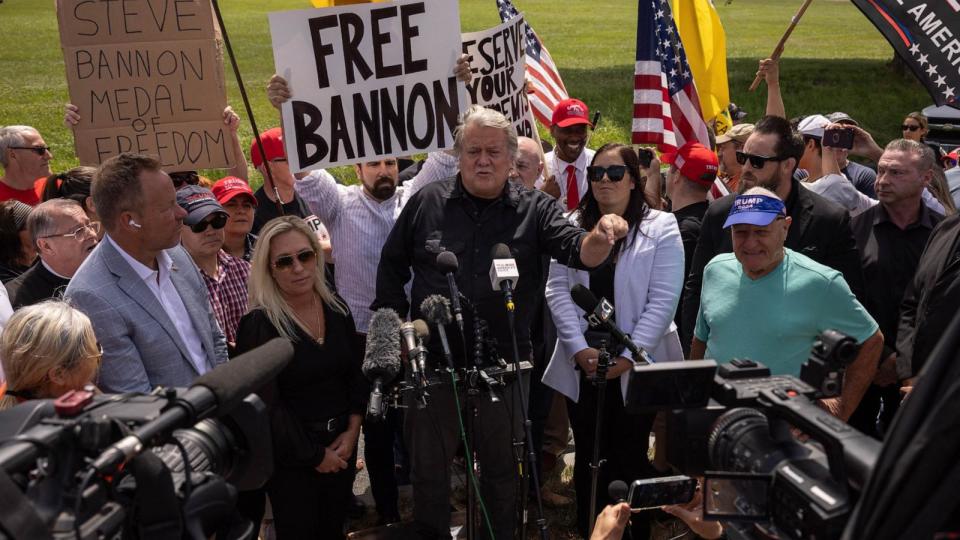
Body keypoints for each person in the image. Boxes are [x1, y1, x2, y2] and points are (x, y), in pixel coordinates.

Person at [373, 105, 630, 539]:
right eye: (473, 151)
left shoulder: (537, 209)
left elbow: (578, 251)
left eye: (494, 151)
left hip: (505, 369)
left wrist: (601, 237)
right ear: (459, 155)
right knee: (429, 476)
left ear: (512, 159)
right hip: (434, 368)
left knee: (502, 477)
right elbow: (391, 268)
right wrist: (398, 331)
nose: (483, 160)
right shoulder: (428, 201)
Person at [267, 54, 471, 523]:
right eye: (371, 163)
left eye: (388, 162)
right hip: (360, 337)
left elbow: (448, 154)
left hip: (414, 335)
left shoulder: (415, 196)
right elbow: (307, 169)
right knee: (375, 428)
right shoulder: (338, 205)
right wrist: (288, 109)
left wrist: (457, 88)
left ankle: (427, 507)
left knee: (421, 426)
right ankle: (386, 513)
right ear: (356, 168)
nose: (382, 170)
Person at [543, 142, 685, 538]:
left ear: (634, 180)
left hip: (636, 362)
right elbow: (557, 291)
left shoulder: (661, 226)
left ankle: (634, 530)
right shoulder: (571, 224)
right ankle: (593, 528)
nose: (604, 180)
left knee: (630, 449)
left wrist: (627, 357)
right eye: (597, 173)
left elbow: (663, 300)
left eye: (615, 173)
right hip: (584, 360)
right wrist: (578, 349)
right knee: (590, 450)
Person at [691, 188, 882, 420]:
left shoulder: (820, 282)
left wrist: (838, 408)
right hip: (719, 422)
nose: (750, 243)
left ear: (785, 228)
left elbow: (871, 341)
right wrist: (695, 399)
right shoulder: (716, 269)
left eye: (761, 232)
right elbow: (702, 339)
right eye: (740, 232)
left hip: (784, 426)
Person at [680, 115, 864, 349]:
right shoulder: (719, 212)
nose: (745, 168)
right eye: (742, 158)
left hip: (796, 363)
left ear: (788, 165)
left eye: (757, 162)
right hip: (728, 356)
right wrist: (695, 361)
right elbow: (696, 290)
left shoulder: (828, 219)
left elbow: (850, 301)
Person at [235, 216, 366, 539]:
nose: (298, 268)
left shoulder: (337, 310)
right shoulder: (258, 326)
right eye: (284, 261)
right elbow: (267, 404)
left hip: (342, 449)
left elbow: (355, 376)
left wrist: (352, 431)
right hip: (291, 464)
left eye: (305, 256)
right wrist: (316, 456)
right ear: (269, 269)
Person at [65, 153, 228, 393]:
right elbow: (137, 398)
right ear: (130, 221)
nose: (182, 214)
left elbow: (215, 340)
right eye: (168, 207)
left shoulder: (178, 255)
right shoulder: (91, 297)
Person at [848, 139, 942, 438]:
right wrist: (882, 356)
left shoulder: (944, 236)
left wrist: (904, 363)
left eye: (896, 173)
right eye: (880, 171)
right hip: (862, 365)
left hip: (921, 375)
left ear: (926, 178)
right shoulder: (853, 231)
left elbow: (944, 306)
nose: (882, 181)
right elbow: (846, 301)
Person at [64, 105, 250, 183]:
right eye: (175, 182)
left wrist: (230, 134)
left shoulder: (200, 192)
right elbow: (96, 187)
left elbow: (238, 182)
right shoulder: (129, 204)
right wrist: (85, 129)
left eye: (185, 180)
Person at [176, 186, 250, 356]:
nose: (210, 231)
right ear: (178, 228)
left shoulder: (246, 271)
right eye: (199, 224)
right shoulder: (171, 284)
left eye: (218, 221)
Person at [0, 300, 101, 410]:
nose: (99, 355)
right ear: (59, 375)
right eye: (97, 348)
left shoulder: (12, 391)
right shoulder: (73, 423)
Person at [662, 142, 715, 337]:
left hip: (675, 335)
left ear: (676, 177)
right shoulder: (715, 219)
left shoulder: (679, 230)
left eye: (669, 169)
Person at [6, 199, 98, 309]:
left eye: (90, 225)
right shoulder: (20, 300)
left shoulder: (112, 268)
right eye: (78, 231)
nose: (92, 234)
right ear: (46, 246)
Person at [543, 98, 596, 209]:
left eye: (580, 130)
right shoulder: (540, 168)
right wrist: (541, 197)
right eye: (567, 130)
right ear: (552, 131)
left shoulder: (598, 164)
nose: (574, 137)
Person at [0, 125, 50, 205]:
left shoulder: (54, 187)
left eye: (47, 149)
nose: (49, 156)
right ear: (13, 154)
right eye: (39, 150)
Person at [212, 176, 259, 261]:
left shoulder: (266, 248)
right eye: (231, 205)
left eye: (246, 205)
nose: (241, 211)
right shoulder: (205, 252)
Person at [0, 200, 35, 283]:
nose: (42, 228)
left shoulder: (45, 257)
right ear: (14, 234)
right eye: (33, 225)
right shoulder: (5, 277)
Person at [714, 122, 754, 195]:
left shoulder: (747, 186)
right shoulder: (727, 179)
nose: (719, 153)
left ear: (742, 149)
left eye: (723, 148)